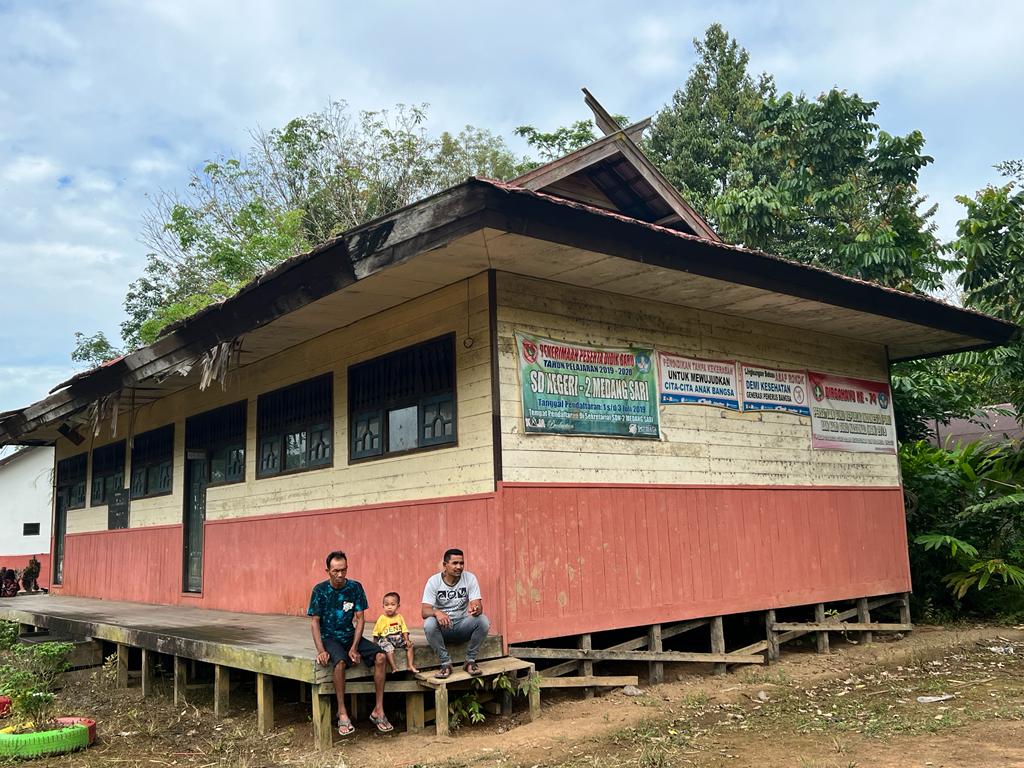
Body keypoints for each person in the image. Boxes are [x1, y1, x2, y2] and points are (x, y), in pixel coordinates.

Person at [308, 550, 393, 735]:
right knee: (339, 663)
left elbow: (360, 619)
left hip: (350, 636)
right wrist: (321, 650)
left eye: (343, 570)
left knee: (380, 656)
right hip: (330, 638)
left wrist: (354, 647)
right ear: (327, 571)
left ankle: (378, 709)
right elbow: (314, 621)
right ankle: (342, 712)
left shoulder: (355, 587)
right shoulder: (319, 591)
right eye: (335, 571)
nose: (340, 575)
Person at [421, 548, 490, 678]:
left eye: (461, 563)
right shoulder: (434, 581)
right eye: (455, 563)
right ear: (445, 565)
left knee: (483, 621)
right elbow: (424, 611)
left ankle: (470, 661)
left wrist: (476, 608)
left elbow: (478, 605)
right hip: (443, 629)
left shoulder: (470, 578)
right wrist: (437, 612)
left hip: (462, 627)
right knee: (429, 623)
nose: (459, 567)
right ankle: (445, 663)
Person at [372, 592, 418, 674]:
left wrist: (407, 640)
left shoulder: (399, 617)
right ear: (383, 606)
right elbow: (376, 633)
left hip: (398, 638)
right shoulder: (382, 618)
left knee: (410, 645)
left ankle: (410, 665)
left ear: (398, 606)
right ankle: (394, 667)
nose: (389, 607)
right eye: (386, 605)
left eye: (392, 605)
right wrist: (375, 643)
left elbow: (404, 630)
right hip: (386, 639)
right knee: (389, 649)